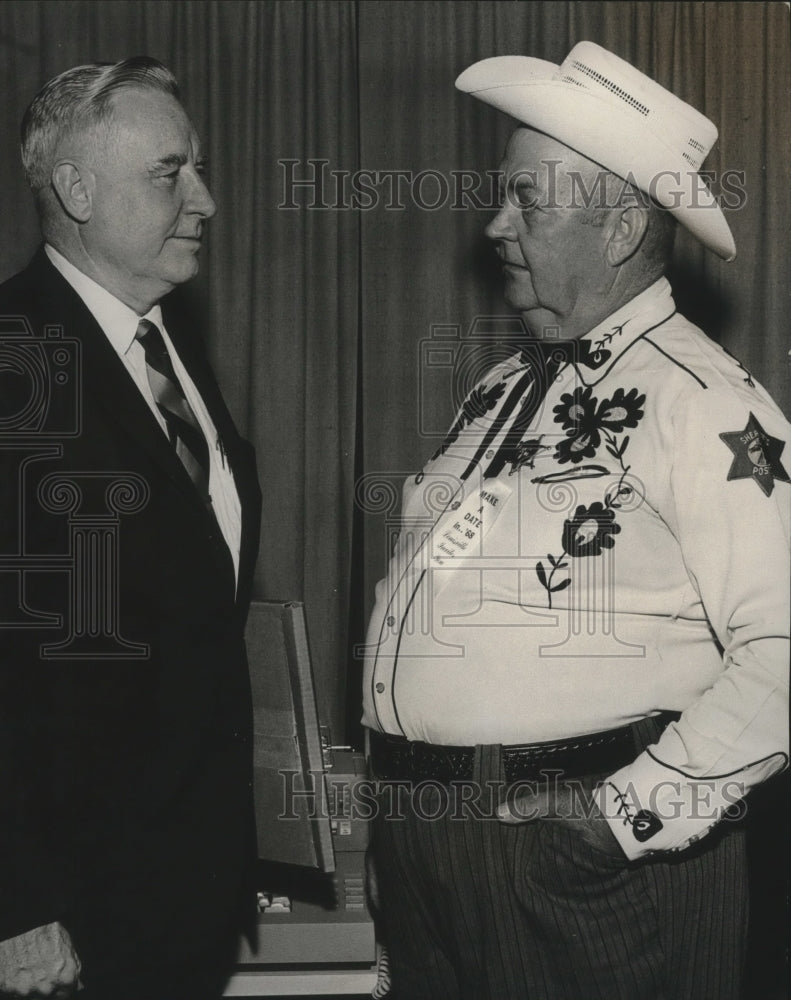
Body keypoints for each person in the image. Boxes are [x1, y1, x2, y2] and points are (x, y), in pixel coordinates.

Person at [362, 41, 789, 999]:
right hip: (438, 855)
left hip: (580, 873)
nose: (494, 226)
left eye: (528, 201)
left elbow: (784, 646)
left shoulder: (706, 402)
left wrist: (627, 815)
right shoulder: (501, 388)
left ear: (622, 224)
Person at [0, 58, 261, 999]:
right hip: (69, 920)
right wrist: (15, 901)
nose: (205, 199)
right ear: (74, 189)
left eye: (197, 170)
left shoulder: (169, 345)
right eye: (169, 172)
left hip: (184, 898)